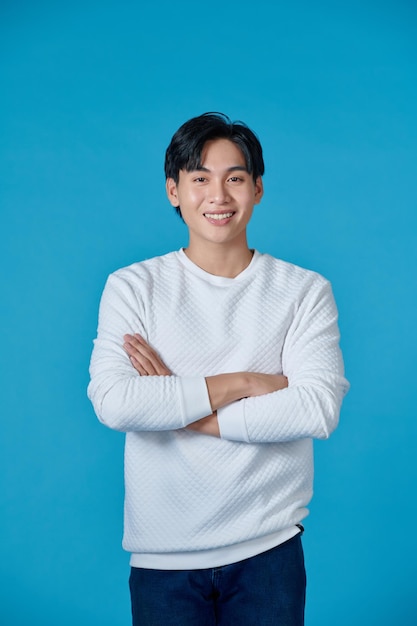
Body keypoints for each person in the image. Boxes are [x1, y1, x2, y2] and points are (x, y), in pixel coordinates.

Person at [87, 112, 349, 625]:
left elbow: (316, 409)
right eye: (200, 178)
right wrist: (247, 383)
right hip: (163, 557)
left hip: (268, 548)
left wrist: (175, 401)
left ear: (257, 189)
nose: (218, 195)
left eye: (234, 178)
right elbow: (115, 402)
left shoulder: (303, 291)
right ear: (173, 191)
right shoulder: (133, 287)